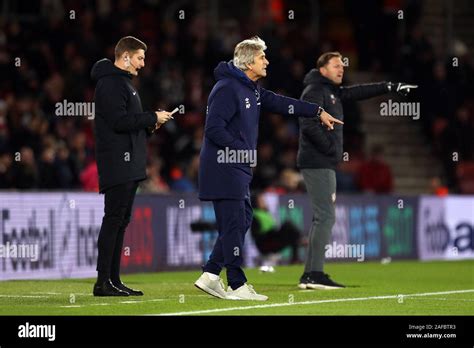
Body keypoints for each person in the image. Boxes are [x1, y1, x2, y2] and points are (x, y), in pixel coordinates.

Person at [194, 37, 342, 301]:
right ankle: (237, 285)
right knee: (233, 223)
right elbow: (213, 128)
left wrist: (317, 111)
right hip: (223, 168)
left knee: (243, 220)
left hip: (237, 168)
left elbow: (283, 103)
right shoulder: (227, 87)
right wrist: (241, 148)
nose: (267, 61)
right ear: (249, 61)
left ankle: (211, 273)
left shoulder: (251, 89)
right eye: (263, 57)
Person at [297, 51, 417, 289]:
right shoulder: (314, 91)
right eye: (335, 66)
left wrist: (389, 86)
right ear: (322, 70)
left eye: (342, 65)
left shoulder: (332, 91)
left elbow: (359, 92)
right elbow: (307, 122)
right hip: (317, 161)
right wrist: (330, 148)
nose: (341, 69)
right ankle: (314, 274)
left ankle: (310, 273)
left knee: (321, 217)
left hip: (322, 162)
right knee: (326, 217)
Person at [91, 36, 173, 296]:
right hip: (118, 163)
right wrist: (150, 117)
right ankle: (103, 281)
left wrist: (150, 124)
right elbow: (118, 122)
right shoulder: (111, 84)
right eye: (139, 58)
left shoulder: (124, 84)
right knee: (114, 219)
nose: (142, 64)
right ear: (125, 57)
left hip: (129, 162)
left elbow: (127, 125)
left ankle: (113, 280)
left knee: (121, 220)